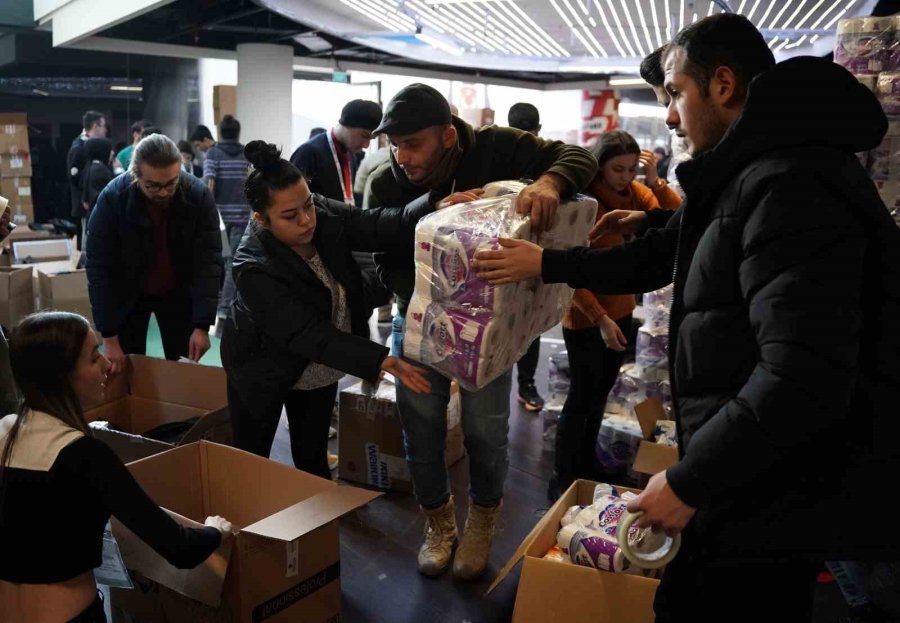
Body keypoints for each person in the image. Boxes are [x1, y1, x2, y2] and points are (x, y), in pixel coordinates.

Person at [473, 13, 900, 621]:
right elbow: (662, 256)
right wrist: (555, 260)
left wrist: (690, 481)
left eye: (675, 93)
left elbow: (804, 375)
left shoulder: (790, 183)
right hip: (757, 473)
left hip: (776, 486)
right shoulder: (754, 169)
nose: (669, 115)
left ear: (722, 85)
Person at [367, 83, 597, 579]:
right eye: (394, 144)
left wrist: (549, 184)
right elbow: (380, 265)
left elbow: (577, 156)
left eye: (414, 144)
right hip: (418, 322)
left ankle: (483, 519)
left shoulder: (497, 146)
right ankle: (439, 522)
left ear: (448, 136)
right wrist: (436, 236)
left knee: (486, 432)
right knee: (421, 429)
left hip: (493, 330)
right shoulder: (387, 183)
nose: (402, 156)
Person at [221, 141, 447, 478]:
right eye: (289, 215)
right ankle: (243, 526)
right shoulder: (253, 266)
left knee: (312, 457)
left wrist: (433, 204)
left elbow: (372, 224)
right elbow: (306, 331)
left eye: (308, 205)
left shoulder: (319, 213)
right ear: (261, 218)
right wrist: (377, 358)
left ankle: (317, 525)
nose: (306, 220)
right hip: (263, 367)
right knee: (251, 461)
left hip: (322, 365)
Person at [0, 311, 232, 623]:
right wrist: (215, 531)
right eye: (94, 357)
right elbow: (180, 549)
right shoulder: (86, 457)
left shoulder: (5, 432)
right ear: (64, 375)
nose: (108, 365)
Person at [550, 130, 680, 502]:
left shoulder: (633, 194)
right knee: (581, 396)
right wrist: (599, 318)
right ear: (599, 166)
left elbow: (671, 216)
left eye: (630, 169)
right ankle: (563, 474)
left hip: (620, 313)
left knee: (599, 394)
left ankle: (586, 464)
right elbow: (569, 273)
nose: (625, 176)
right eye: (617, 169)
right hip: (587, 318)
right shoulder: (584, 203)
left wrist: (653, 179)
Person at [86, 134, 222, 372]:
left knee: (183, 370)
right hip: (128, 292)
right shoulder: (112, 199)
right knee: (126, 369)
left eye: (171, 183)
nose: (162, 192)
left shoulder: (198, 196)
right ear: (135, 175)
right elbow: (99, 269)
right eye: (153, 186)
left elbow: (208, 263)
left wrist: (202, 325)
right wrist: (108, 337)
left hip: (179, 291)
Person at [506, 102, 547, 411]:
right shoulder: (497, 155)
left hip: (534, 254)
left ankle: (526, 384)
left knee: (530, 324)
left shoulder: (546, 161)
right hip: (501, 253)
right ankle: (516, 383)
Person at [203, 115, 251, 324]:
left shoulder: (213, 153)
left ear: (220, 132)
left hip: (219, 218)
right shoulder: (246, 154)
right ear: (238, 132)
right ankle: (225, 308)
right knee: (233, 263)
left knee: (218, 261)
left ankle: (219, 306)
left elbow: (209, 183)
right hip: (241, 217)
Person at [289, 100, 382, 206]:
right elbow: (293, 200)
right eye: (364, 135)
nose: (366, 145)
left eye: (371, 139)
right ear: (347, 123)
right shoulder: (308, 153)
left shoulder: (350, 153)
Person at [67, 111, 107, 247]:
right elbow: (74, 177)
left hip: (91, 202)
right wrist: (86, 195)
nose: (105, 130)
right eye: (103, 126)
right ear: (95, 126)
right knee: (85, 239)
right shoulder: (79, 147)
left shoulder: (92, 145)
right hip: (84, 204)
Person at [80, 137, 115, 230]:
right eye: (110, 150)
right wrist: (119, 171)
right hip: (102, 220)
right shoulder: (100, 170)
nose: (112, 153)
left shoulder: (90, 167)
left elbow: (85, 201)